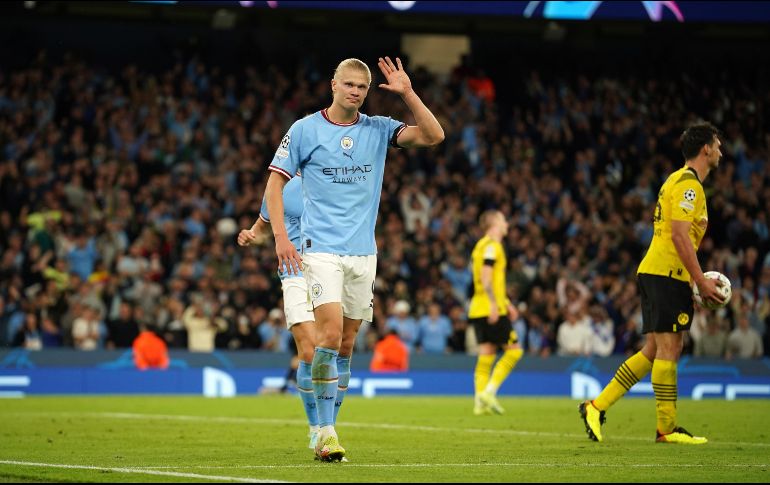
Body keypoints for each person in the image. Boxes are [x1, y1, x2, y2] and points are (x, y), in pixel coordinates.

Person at [265, 56, 444, 461]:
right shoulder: (305, 129)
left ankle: (327, 426)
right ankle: (325, 432)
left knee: (346, 344)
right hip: (320, 250)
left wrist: (409, 94)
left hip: (364, 253)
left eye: (361, 87)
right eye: (348, 84)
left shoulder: (379, 129)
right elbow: (274, 184)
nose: (355, 92)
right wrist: (280, 238)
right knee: (327, 335)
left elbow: (434, 136)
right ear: (333, 84)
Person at [580, 122, 725, 445]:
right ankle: (667, 429)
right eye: (717, 145)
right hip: (666, 273)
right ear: (705, 149)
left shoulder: (674, 179)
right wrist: (699, 280)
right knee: (670, 348)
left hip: (659, 271)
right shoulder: (690, 187)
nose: (720, 151)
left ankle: (595, 406)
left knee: (654, 349)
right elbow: (678, 234)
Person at [237, 175, 321, 451]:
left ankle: (327, 423)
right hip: (294, 271)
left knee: (331, 350)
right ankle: (316, 428)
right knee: (308, 351)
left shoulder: (333, 180)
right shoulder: (279, 188)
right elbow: (261, 229)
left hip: (330, 269)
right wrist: (251, 235)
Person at [468, 210, 523, 415]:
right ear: (495, 223)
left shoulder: (480, 245)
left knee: (486, 356)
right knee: (515, 350)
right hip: (490, 308)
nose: (507, 223)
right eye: (504, 220)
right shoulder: (492, 246)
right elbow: (485, 277)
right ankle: (489, 392)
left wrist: (506, 302)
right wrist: (494, 304)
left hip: (478, 308)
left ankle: (479, 403)